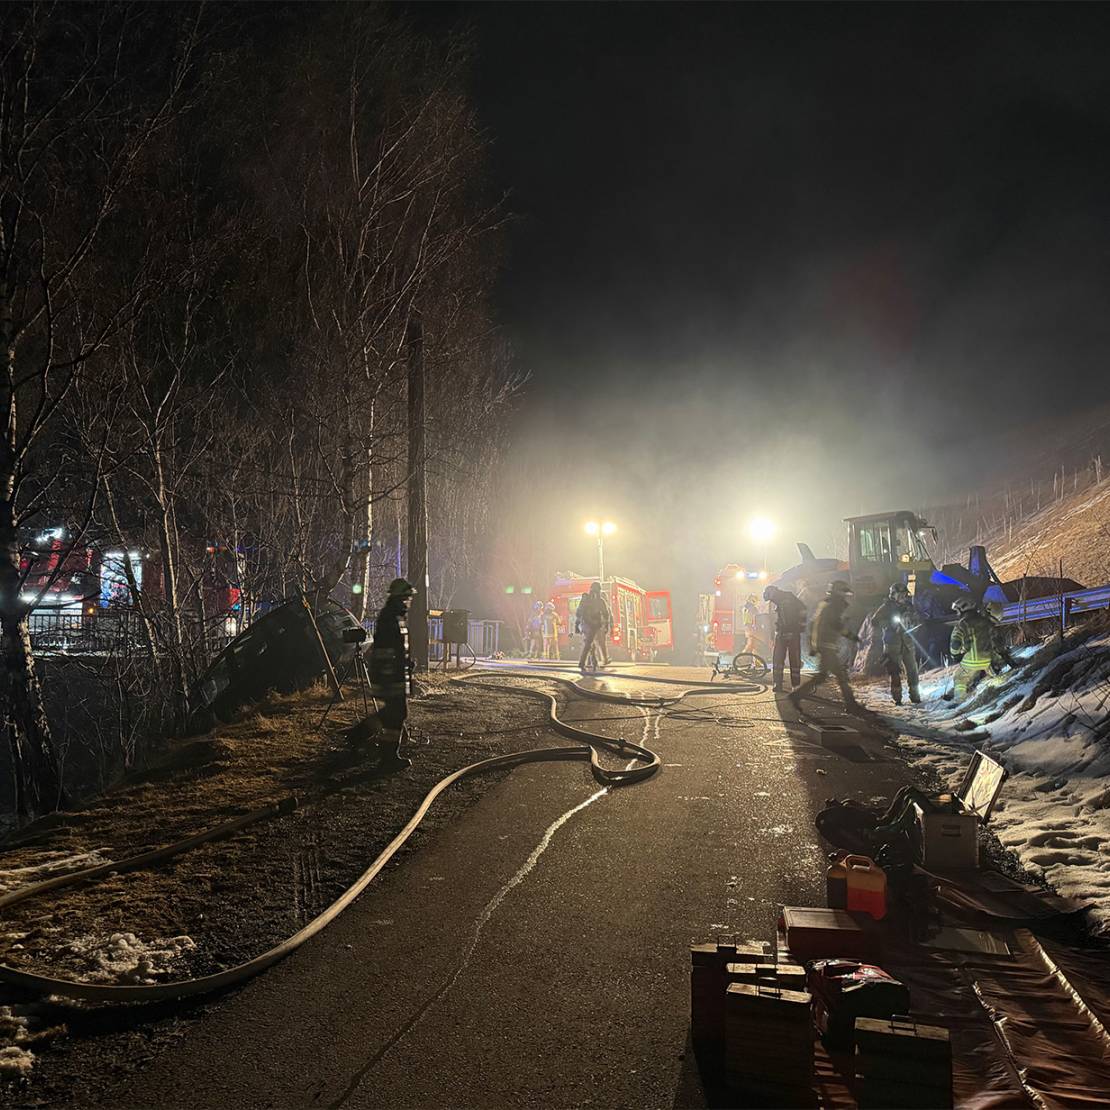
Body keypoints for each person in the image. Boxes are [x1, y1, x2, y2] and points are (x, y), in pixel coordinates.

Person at [367, 577, 416, 772]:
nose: (409, 601)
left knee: (393, 714)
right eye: (407, 598)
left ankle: (384, 753)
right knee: (397, 714)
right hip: (390, 677)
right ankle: (387, 757)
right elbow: (385, 649)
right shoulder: (390, 617)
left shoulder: (395, 615)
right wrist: (392, 671)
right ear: (401, 597)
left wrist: (405, 663)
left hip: (394, 675)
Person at [789, 580, 861, 712]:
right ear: (839, 592)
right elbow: (835, 625)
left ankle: (796, 696)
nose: (845, 596)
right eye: (844, 592)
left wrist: (814, 645)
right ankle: (851, 705)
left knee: (824, 676)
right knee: (840, 676)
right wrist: (851, 635)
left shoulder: (827, 605)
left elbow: (814, 625)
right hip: (827, 645)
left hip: (826, 645)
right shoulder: (834, 606)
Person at [947, 595, 1014, 701]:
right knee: (981, 674)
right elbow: (997, 642)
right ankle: (983, 681)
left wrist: (955, 655)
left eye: (958, 611)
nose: (957, 614)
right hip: (987, 661)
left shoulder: (962, 624)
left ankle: (960, 701)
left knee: (960, 678)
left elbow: (955, 643)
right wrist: (1007, 659)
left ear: (963, 609)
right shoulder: (987, 623)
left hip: (971, 661)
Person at [869, 582, 923, 706]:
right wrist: (890, 624)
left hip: (907, 643)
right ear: (893, 595)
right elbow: (874, 621)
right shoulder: (886, 607)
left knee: (913, 671)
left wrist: (915, 625)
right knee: (895, 671)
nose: (903, 596)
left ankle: (915, 697)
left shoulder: (909, 606)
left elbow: (917, 619)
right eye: (901, 594)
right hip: (892, 644)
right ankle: (897, 698)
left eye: (905, 594)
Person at [763, 585, 807, 693]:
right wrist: (771, 636)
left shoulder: (789, 597)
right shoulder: (774, 602)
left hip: (793, 633)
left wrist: (800, 627)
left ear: (773, 592)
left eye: (770, 597)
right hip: (781, 633)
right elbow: (771, 620)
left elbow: (803, 609)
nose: (771, 600)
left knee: (794, 660)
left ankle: (795, 685)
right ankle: (778, 684)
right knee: (777, 659)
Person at [575, 581, 611, 672]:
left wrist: (577, 624)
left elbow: (605, 614)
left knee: (590, 643)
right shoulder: (590, 600)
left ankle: (590, 662)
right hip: (588, 624)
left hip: (592, 625)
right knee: (589, 643)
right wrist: (577, 624)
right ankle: (584, 662)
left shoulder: (597, 601)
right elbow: (580, 612)